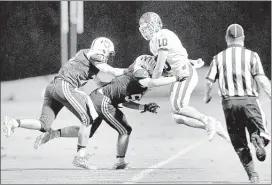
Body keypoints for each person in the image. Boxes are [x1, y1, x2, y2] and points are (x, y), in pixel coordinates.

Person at [33, 54, 186, 169]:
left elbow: (125, 101)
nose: (164, 75)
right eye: (163, 72)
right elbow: (151, 81)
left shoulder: (142, 78)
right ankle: (119, 161)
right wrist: (176, 78)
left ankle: (52, 134)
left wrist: (143, 107)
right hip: (104, 100)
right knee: (125, 129)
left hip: (101, 98)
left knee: (88, 131)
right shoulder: (141, 73)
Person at [1, 37, 128, 169]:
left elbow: (98, 82)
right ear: (103, 50)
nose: (108, 57)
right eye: (108, 53)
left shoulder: (86, 58)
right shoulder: (95, 55)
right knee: (88, 119)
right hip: (65, 86)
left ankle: (14, 123)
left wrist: (110, 88)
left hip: (53, 87)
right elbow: (112, 71)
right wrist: (131, 71)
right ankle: (80, 156)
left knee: (44, 125)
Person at [138, 12, 230, 141]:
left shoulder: (163, 36)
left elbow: (159, 69)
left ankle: (207, 119)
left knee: (179, 107)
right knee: (177, 117)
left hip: (184, 73)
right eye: (143, 29)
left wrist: (149, 84)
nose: (146, 31)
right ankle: (213, 124)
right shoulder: (153, 43)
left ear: (157, 25)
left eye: (148, 27)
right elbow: (171, 60)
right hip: (180, 73)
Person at [204, 24, 271, 183]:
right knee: (263, 131)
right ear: (243, 38)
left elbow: (208, 81)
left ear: (227, 39)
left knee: (239, 142)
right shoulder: (252, 56)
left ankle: (253, 175)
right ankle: (258, 139)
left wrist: (206, 96)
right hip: (249, 101)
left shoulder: (218, 57)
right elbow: (261, 79)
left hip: (229, 105)